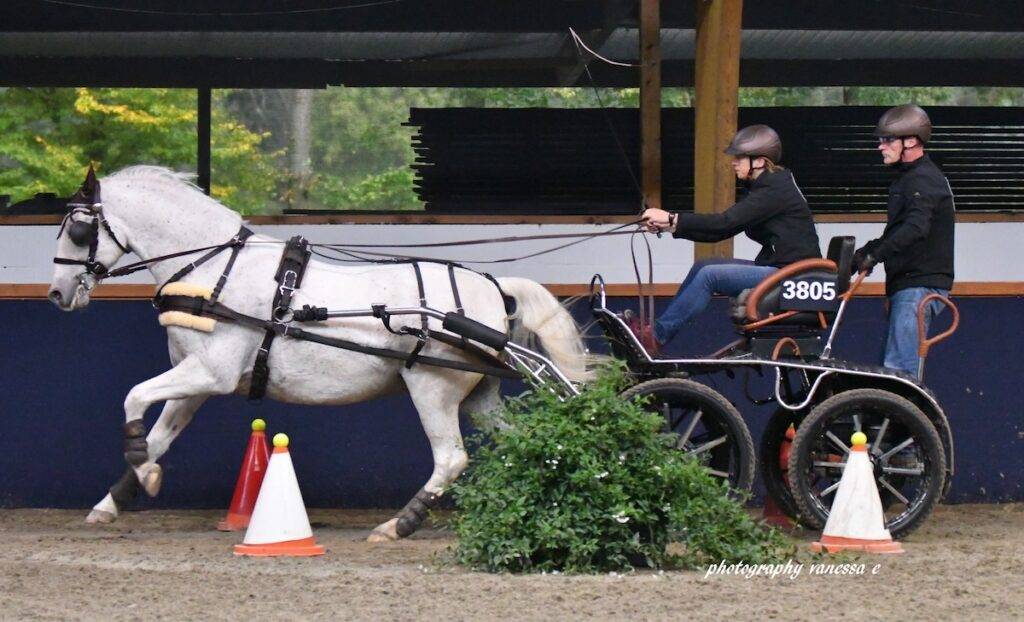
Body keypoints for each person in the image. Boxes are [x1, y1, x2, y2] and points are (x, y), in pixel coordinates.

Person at [633, 124, 821, 355]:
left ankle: (656, 337)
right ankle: (655, 333)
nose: (733, 162)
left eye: (739, 158)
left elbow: (724, 223)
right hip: (784, 270)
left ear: (759, 161)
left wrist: (672, 217)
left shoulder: (773, 191)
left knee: (710, 275)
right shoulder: (769, 186)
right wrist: (670, 225)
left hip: (792, 276)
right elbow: (720, 231)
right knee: (704, 266)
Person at [854, 104, 955, 378]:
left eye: (888, 140)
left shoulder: (923, 179)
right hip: (907, 285)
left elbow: (914, 228)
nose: (881, 146)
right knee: (892, 370)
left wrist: (875, 255)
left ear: (910, 141)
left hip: (918, 287)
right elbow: (898, 231)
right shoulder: (908, 179)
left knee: (899, 372)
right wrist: (867, 252)